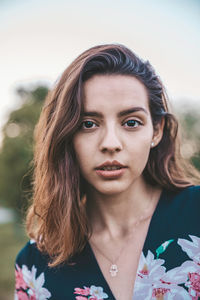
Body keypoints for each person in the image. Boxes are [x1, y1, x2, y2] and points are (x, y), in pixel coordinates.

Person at [14, 44, 200, 300]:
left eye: (131, 122)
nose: (110, 143)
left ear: (156, 130)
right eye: (88, 124)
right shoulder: (34, 266)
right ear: (66, 135)